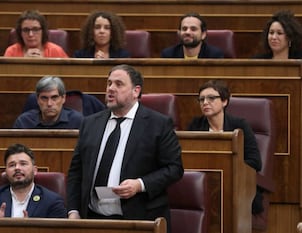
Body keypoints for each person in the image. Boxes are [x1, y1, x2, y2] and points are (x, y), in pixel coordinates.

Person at [66, 64, 183, 233]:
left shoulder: (158, 124)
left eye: (119, 84)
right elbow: (76, 172)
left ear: (136, 91)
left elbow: (174, 169)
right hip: (92, 220)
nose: (111, 89)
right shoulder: (90, 123)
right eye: (109, 83)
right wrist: (74, 211)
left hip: (137, 220)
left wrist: (140, 184)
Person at [187, 80, 263, 214]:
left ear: (224, 101)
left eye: (211, 98)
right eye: (201, 99)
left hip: (236, 186)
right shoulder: (195, 126)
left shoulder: (240, 126)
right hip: (204, 185)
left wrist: (228, 168)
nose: (205, 102)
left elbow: (255, 162)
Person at [0, 143, 67, 218]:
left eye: (23, 164)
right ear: (6, 171)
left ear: (35, 170)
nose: (17, 168)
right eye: (12, 165)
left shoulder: (52, 201)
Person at [13, 76, 83, 129]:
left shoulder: (77, 121)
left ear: (63, 98)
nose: (49, 103)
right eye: (44, 98)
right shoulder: (24, 122)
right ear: (37, 99)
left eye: (54, 98)